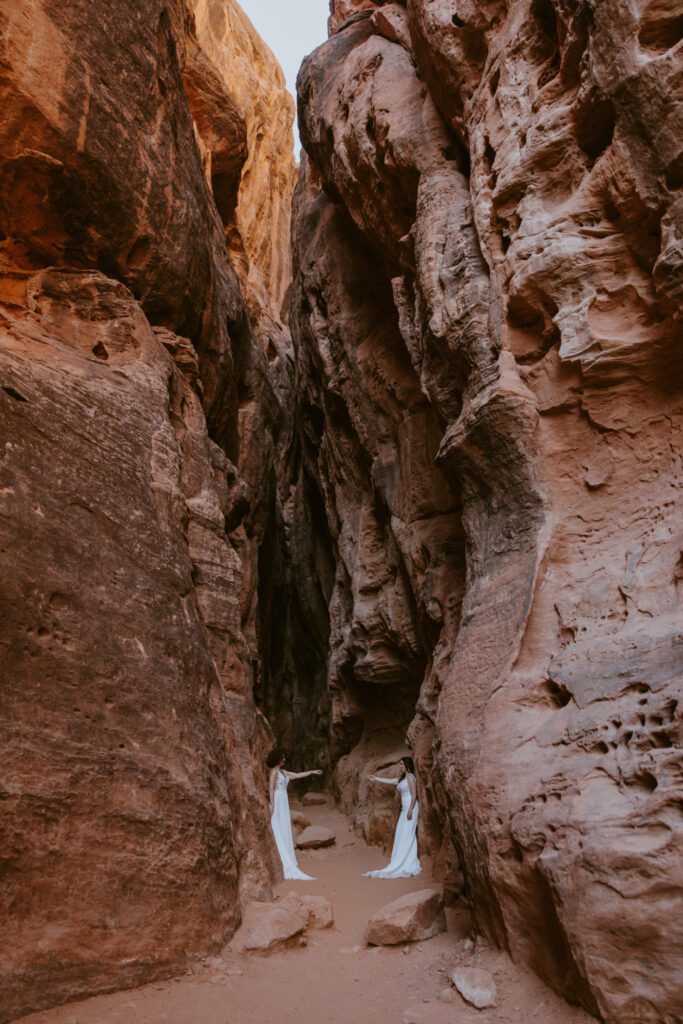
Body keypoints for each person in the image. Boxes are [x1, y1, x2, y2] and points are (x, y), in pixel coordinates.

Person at [267, 748, 322, 881]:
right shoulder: (274, 772)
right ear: (277, 759)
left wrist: (311, 772)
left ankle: (286, 854)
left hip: (284, 800)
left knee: (284, 826)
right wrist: (272, 805)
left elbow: (297, 775)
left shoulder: (283, 772)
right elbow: (271, 788)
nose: (284, 759)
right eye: (282, 757)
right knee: (278, 826)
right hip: (278, 799)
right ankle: (282, 857)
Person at [363, 756, 421, 878]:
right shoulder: (402, 779)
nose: (400, 767)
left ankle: (408, 863)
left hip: (411, 809)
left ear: (407, 765)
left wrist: (410, 809)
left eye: (401, 764)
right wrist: (376, 779)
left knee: (408, 835)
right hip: (404, 810)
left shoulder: (410, 777)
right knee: (401, 834)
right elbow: (390, 781)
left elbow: (414, 794)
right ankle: (401, 860)